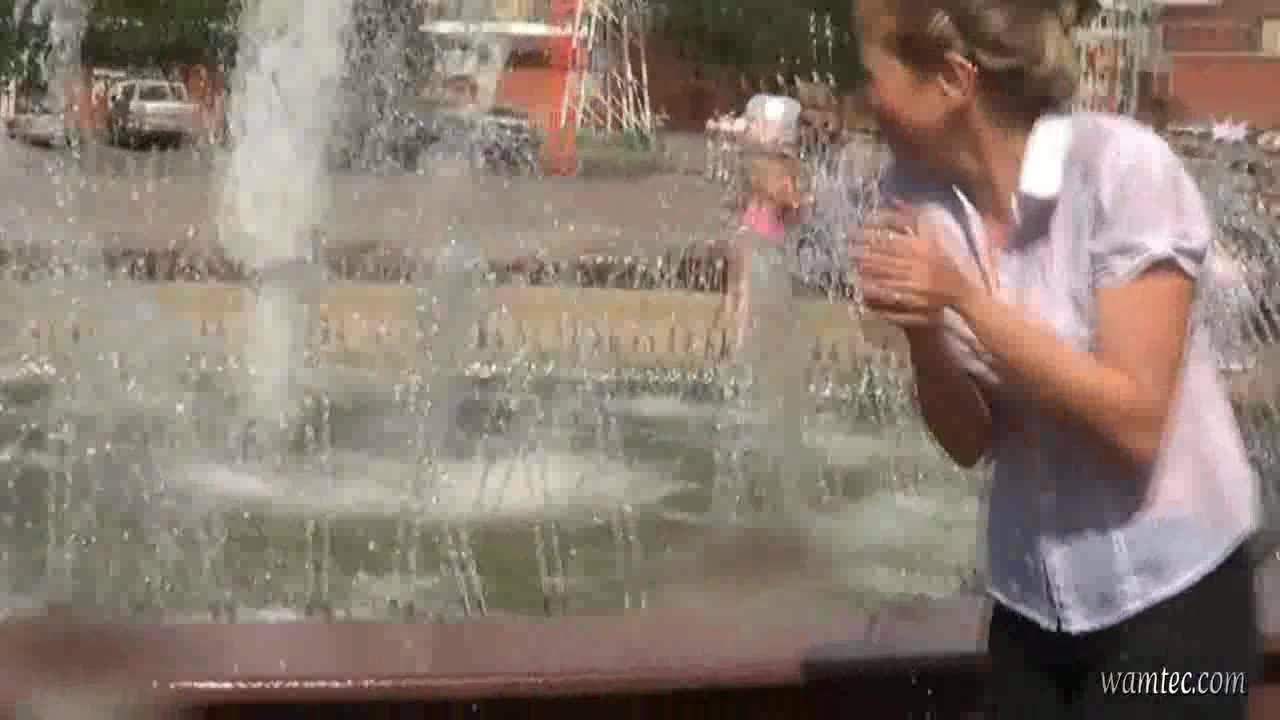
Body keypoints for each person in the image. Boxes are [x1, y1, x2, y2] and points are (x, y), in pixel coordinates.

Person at [849, 0, 1260, 717]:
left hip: (1177, 606)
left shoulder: (1120, 170)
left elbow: (1134, 419)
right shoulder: (917, 201)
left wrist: (963, 300)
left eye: (873, 74)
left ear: (951, 80)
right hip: (1034, 603)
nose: (866, 99)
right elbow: (970, 442)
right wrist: (923, 331)